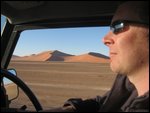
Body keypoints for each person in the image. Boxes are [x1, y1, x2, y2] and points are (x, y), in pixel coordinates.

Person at [60, 1, 149, 112]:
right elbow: (104, 103)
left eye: (118, 26)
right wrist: (72, 109)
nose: (104, 39)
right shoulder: (128, 86)